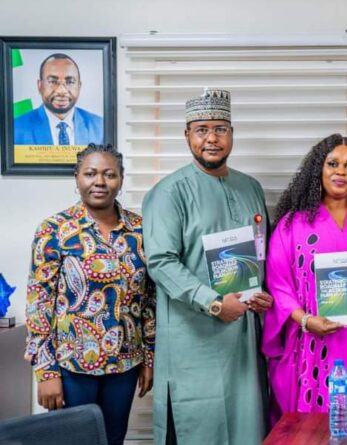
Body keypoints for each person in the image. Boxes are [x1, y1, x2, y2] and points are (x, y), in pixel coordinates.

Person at [143, 89, 273, 445]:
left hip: (243, 342)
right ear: (187, 135)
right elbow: (161, 262)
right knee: (195, 430)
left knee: (247, 427)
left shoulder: (251, 188)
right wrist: (214, 302)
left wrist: (265, 295)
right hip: (193, 341)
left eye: (220, 128)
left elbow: (263, 252)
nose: (212, 138)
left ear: (232, 132)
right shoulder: (169, 192)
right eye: (201, 129)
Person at [24, 143, 154, 445]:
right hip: (71, 366)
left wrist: (150, 357)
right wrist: (46, 372)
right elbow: (38, 303)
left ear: (120, 180)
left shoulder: (139, 230)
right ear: (76, 177)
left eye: (109, 174)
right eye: (91, 173)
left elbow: (149, 300)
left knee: (113, 440)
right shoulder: (54, 230)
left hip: (125, 364)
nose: (100, 182)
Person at [262, 134, 347, 422]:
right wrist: (305, 321)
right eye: (333, 163)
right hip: (311, 342)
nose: (341, 172)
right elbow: (278, 284)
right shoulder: (291, 225)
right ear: (318, 170)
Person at [14, 53, 103, 146]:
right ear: (39, 86)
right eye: (52, 82)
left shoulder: (100, 127)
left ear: (79, 86)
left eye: (70, 82)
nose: (61, 91)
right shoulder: (16, 128)